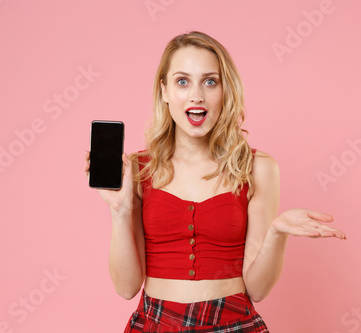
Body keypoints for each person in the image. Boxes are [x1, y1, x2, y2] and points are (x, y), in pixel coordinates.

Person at [85, 31, 346, 332]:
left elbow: (258, 290)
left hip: (233, 323)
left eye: (210, 81)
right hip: (155, 324)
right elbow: (126, 287)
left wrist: (277, 232)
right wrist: (120, 210)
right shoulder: (138, 168)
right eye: (182, 81)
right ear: (165, 91)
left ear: (225, 90)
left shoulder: (258, 168)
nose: (197, 95)